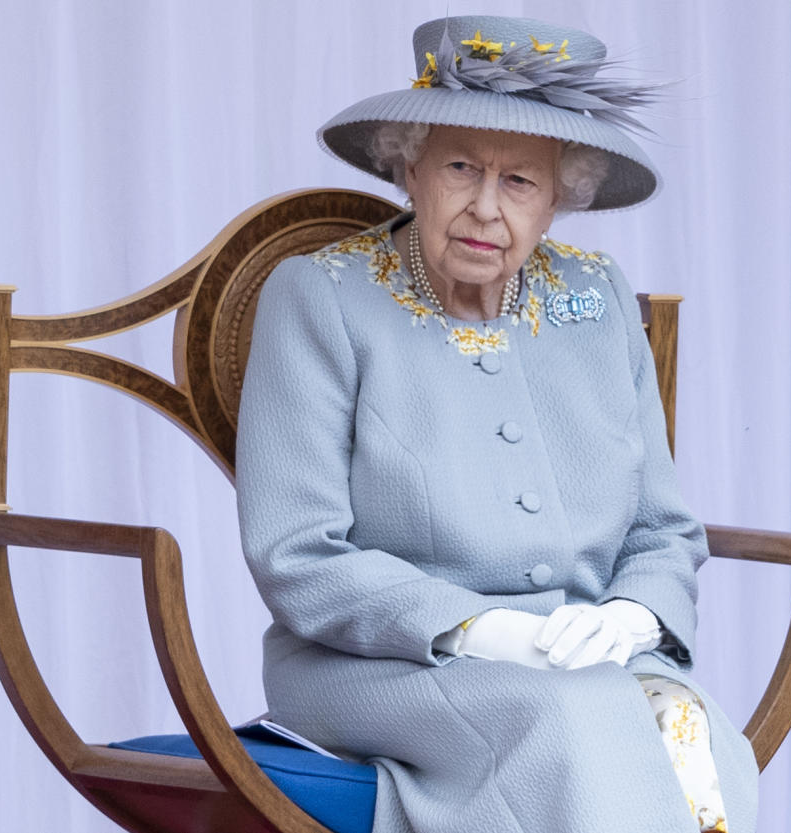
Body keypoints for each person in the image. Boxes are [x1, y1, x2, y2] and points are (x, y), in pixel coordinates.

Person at [235, 15, 757, 833]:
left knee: (694, 735)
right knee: (571, 734)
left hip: (589, 659)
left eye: (520, 182)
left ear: (559, 199)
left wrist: (633, 616)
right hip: (383, 664)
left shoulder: (597, 292)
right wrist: (484, 628)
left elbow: (662, 525)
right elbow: (297, 553)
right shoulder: (318, 296)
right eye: (459, 167)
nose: (486, 207)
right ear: (408, 166)